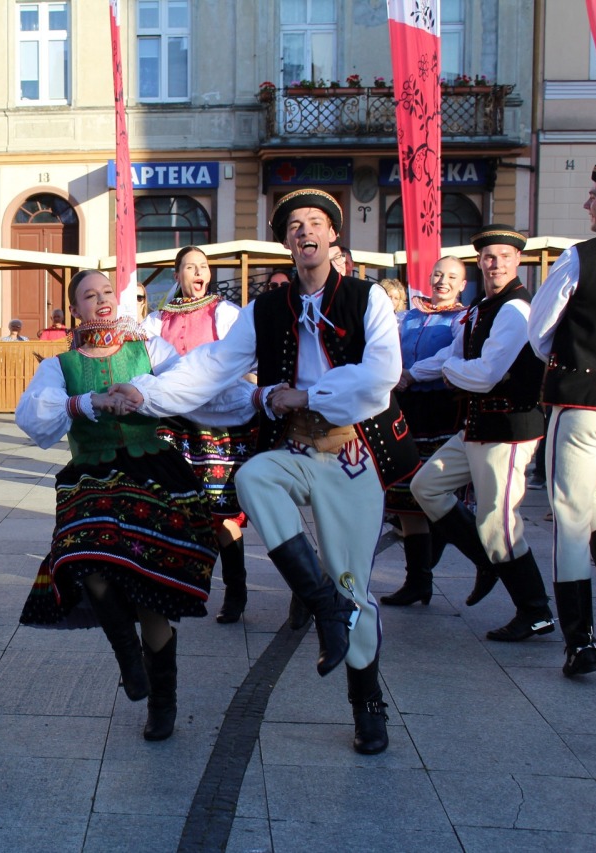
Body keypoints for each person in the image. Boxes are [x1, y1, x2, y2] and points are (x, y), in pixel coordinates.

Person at [113, 190, 419, 755]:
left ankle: (366, 701)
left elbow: (382, 373)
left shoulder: (367, 297)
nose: (305, 232)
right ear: (287, 243)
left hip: (351, 455)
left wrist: (308, 394)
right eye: (294, 225)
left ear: (333, 236)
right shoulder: (265, 309)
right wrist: (144, 392)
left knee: (354, 586)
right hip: (295, 449)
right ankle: (321, 602)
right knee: (252, 479)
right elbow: (212, 366)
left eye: (316, 223)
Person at [17, 269, 222, 741]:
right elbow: (33, 415)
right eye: (90, 295)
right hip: (91, 473)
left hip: (151, 469)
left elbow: (187, 382)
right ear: (76, 310)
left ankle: (162, 702)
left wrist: (145, 393)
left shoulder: (148, 349)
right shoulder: (61, 365)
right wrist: (84, 403)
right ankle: (127, 653)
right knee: (83, 554)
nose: (102, 300)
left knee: (149, 590)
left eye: (107, 291)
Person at [409, 226, 553, 644]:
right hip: (478, 426)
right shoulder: (479, 309)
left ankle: (535, 610)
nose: (496, 264)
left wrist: (452, 373)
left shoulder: (515, 309)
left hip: (508, 429)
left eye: (505, 256)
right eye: (489, 256)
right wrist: (412, 374)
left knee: (499, 523)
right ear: (480, 262)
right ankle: (486, 560)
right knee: (426, 486)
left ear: (518, 260)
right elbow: (454, 357)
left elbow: (486, 374)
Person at [528, 159, 596, 675]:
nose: (588, 203)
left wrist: (567, 360)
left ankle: (581, 641)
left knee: (568, 517)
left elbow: (539, 330)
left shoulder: (581, 256)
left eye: (594, 196)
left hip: (582, 400)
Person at [141, 246, 256, 625]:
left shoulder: (225, 313)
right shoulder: (157, 320)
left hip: (220, 423)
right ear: (177, 275)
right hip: (175, 424)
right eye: (190, 267)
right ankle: (176, 586)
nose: (198, 272)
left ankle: (236, 590)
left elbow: (244, 359)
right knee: (171, 507)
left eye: (203, 266)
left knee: (223, 512)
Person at [382, 257, 469, 606]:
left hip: (439, 410)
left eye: (451, 276)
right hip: (404, 409)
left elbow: (451, 356)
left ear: (462, 284)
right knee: (404, 497)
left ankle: (450, 557)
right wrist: (395, 374)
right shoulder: (406, 316)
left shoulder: (462, 318)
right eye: (438, 274)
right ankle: (417, 580)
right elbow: (384, 347)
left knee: (434, 491)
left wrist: (412, 373)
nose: (442, 281)